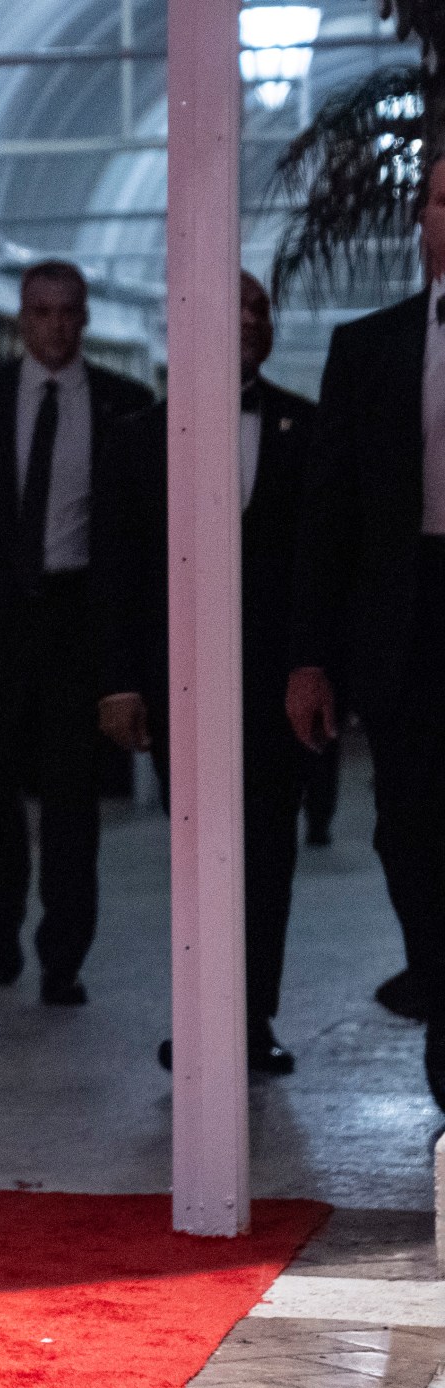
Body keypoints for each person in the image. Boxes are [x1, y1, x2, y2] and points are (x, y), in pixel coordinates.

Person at [0, 261, 155, 1005]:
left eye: (67, 312)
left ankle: (63, 954)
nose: (54, 324)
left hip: (78, 615)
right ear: (22, 318)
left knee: (73, 793)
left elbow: (141, 532)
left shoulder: (124, 405)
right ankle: (2, 919)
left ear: (84, 319)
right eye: (41, 311)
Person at [93, 273, 313, 1076]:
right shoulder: (138, 437)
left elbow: (323, 566)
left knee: (269, 854)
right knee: (195, 853)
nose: (250, 320)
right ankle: (199, 1017)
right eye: (236, 305)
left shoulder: (306, 427)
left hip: (276, 687)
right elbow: (115, 570)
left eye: (260, 310)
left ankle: (252, 1022)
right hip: (176, 682)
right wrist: (119, 682)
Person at [289, 158, 445, 1108]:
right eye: (442, 199)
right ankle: (436, 972)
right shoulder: (369, 348)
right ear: (422, 220)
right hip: (407, 615)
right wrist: (310, 654)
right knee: (407, 827)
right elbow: (327, 519)